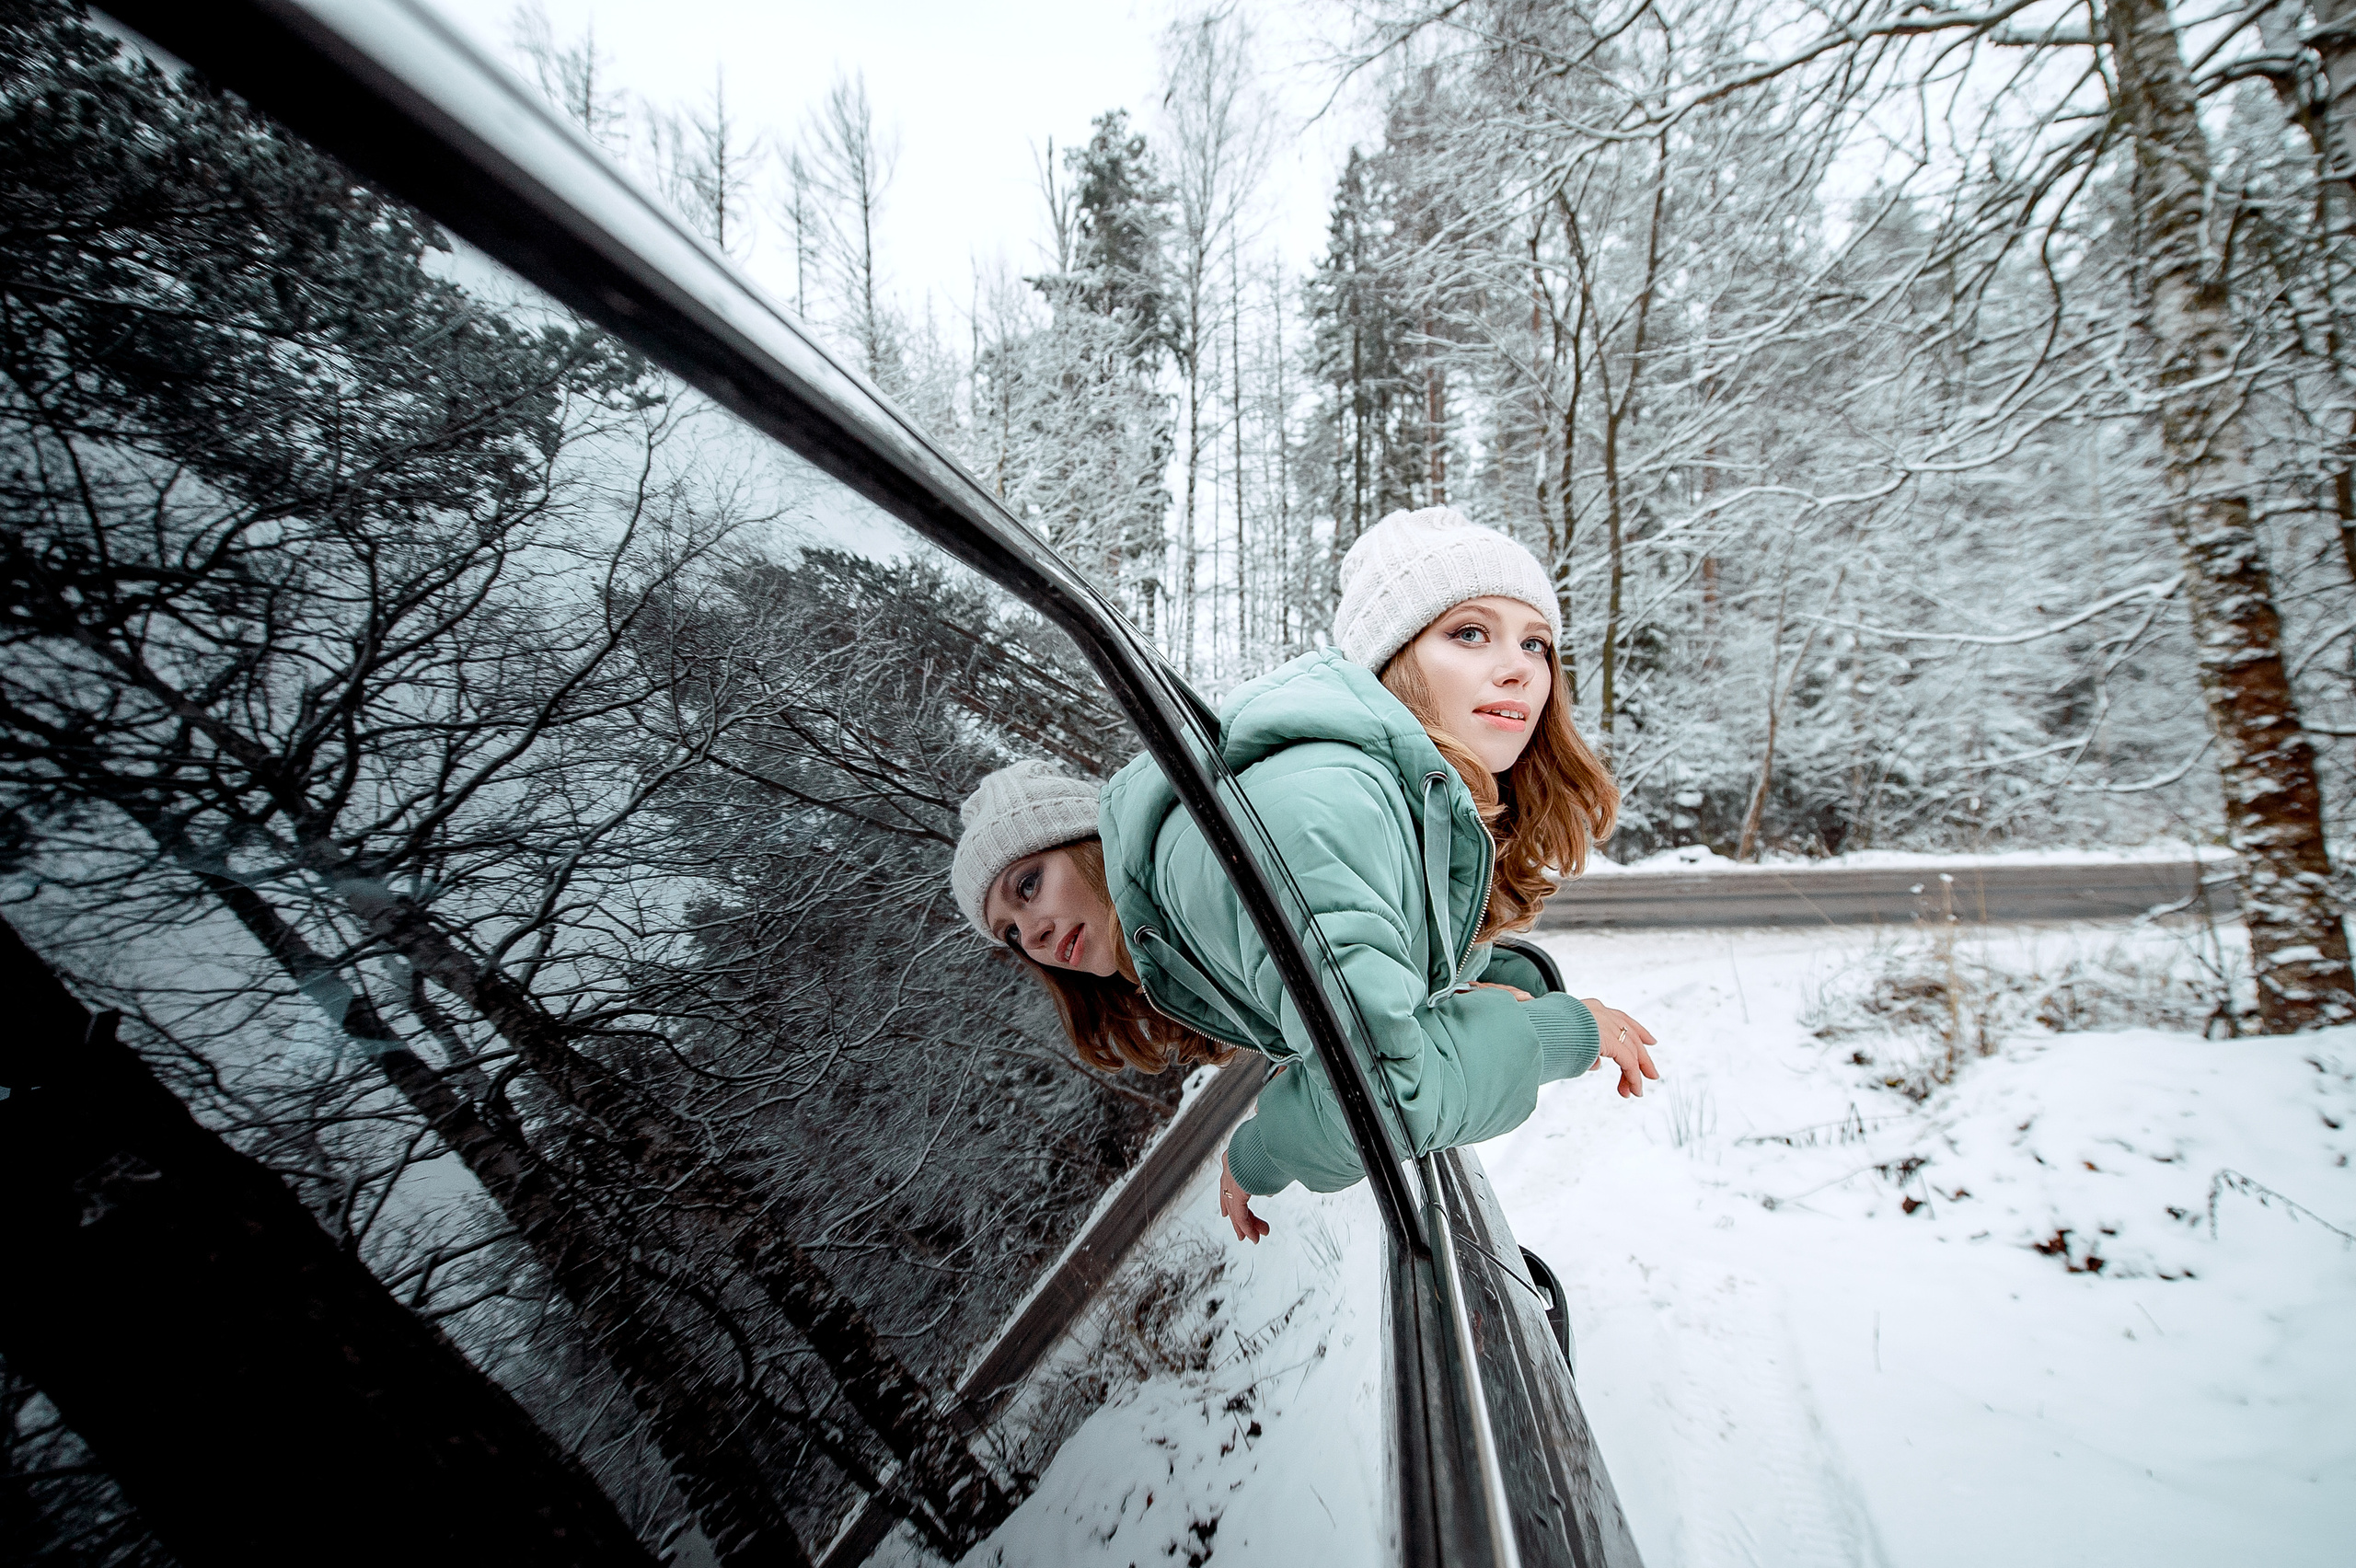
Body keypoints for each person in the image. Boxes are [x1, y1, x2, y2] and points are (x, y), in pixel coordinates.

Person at [951, 506, 1659, 1242]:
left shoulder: (1315, 807)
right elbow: (1384, 1097)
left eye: (1536, 642)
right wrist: (1558, 1031)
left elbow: (1375, 1075)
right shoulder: (1306, 811)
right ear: (1393, 661)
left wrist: (1513, 995)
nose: (1519, 666)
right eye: (1471, 633)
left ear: (1090, 845)